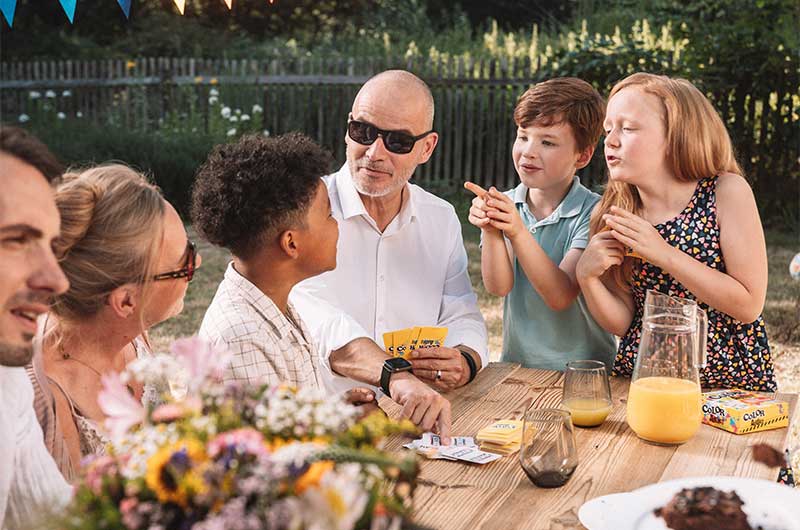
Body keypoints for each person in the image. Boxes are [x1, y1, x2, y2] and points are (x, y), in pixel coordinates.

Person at [194, 132, 438, 419]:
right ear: (291, 243)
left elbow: (285, 422)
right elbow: (272, 458)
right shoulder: (240, 339)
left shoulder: (277, 307)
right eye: (329, 216)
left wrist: (333, 416)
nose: (338, 227)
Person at [291, 70, 488, 409]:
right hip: (325, 418)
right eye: (364, 132)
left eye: (397, 141)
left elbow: (461, 311)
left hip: (418, 417)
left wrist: (465, 359)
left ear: (427, 148)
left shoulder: (440, 218)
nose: (374, 152)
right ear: (347, 130)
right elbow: (316, 322)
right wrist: (395, 377)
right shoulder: (306, 208)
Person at [576, 72, 776, 392]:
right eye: (608, 130)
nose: (611, 141)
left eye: (627, 128)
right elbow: (627, 323)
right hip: (646, 384)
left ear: (677, 135)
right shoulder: (616, 210)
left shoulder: (725, 192)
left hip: (729, 389)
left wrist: (665, 253)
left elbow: (749, 304)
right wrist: (586, 278)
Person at [36, 163, 201, 477]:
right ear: (126, 301)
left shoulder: (130, 333)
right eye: (186, 264)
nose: (200, 261)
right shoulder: (48, 403)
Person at [465, 77, 616, 370]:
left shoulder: (594, 212)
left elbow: (561, 295)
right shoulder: (508, 205)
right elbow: (498, 287)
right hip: (518, 367)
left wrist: (517, 232)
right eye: (523, 136)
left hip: (587, 372)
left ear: (582, 155)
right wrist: (492, 231)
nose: (529, 151)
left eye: (547, 142)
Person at [0, 126, 72, 529]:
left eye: (51, 246)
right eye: (16, 239)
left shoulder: (6, 376)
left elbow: (55, 519)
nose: (57, 280)